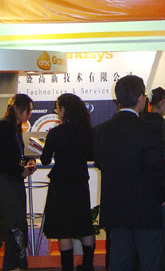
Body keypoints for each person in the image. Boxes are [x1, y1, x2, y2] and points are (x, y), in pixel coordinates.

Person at [94, 75, 165, 271]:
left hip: (116, 207)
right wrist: (163, 195)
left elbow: (100, 162)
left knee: (120, 260)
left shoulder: (101, 131)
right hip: (146, 206)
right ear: (141, 99)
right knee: (150, 261)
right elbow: (156, 168)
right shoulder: (150, 130)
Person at [41, 93, 95, 271]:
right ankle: (88, 264)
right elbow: (91, 155)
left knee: (63, 228)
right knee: (84, 224)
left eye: (58, 108)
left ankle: (67, 266)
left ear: (64, 109)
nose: (57, 111)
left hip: (61, 185)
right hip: (80, 183)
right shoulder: (87, 131)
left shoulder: (56, 133)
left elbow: (45, 160)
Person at [0, 94, 37, 271]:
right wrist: (21, 170)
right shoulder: (3, 127)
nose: (29, 115)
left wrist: (29, 161)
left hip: (13, 180)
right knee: (14, 226)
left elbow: (18, 154)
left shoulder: (14, 127)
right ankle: (13, 265)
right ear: (18, 109)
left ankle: (16, 264)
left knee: (18, 225)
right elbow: (2, 160)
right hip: (4, 181)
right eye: (28, 111)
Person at [143, 87, 165, 271]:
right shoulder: (162, 125)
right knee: (160, 235)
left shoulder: (141, 121)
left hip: (142, 186)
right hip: (161, 184)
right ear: (162, 103)